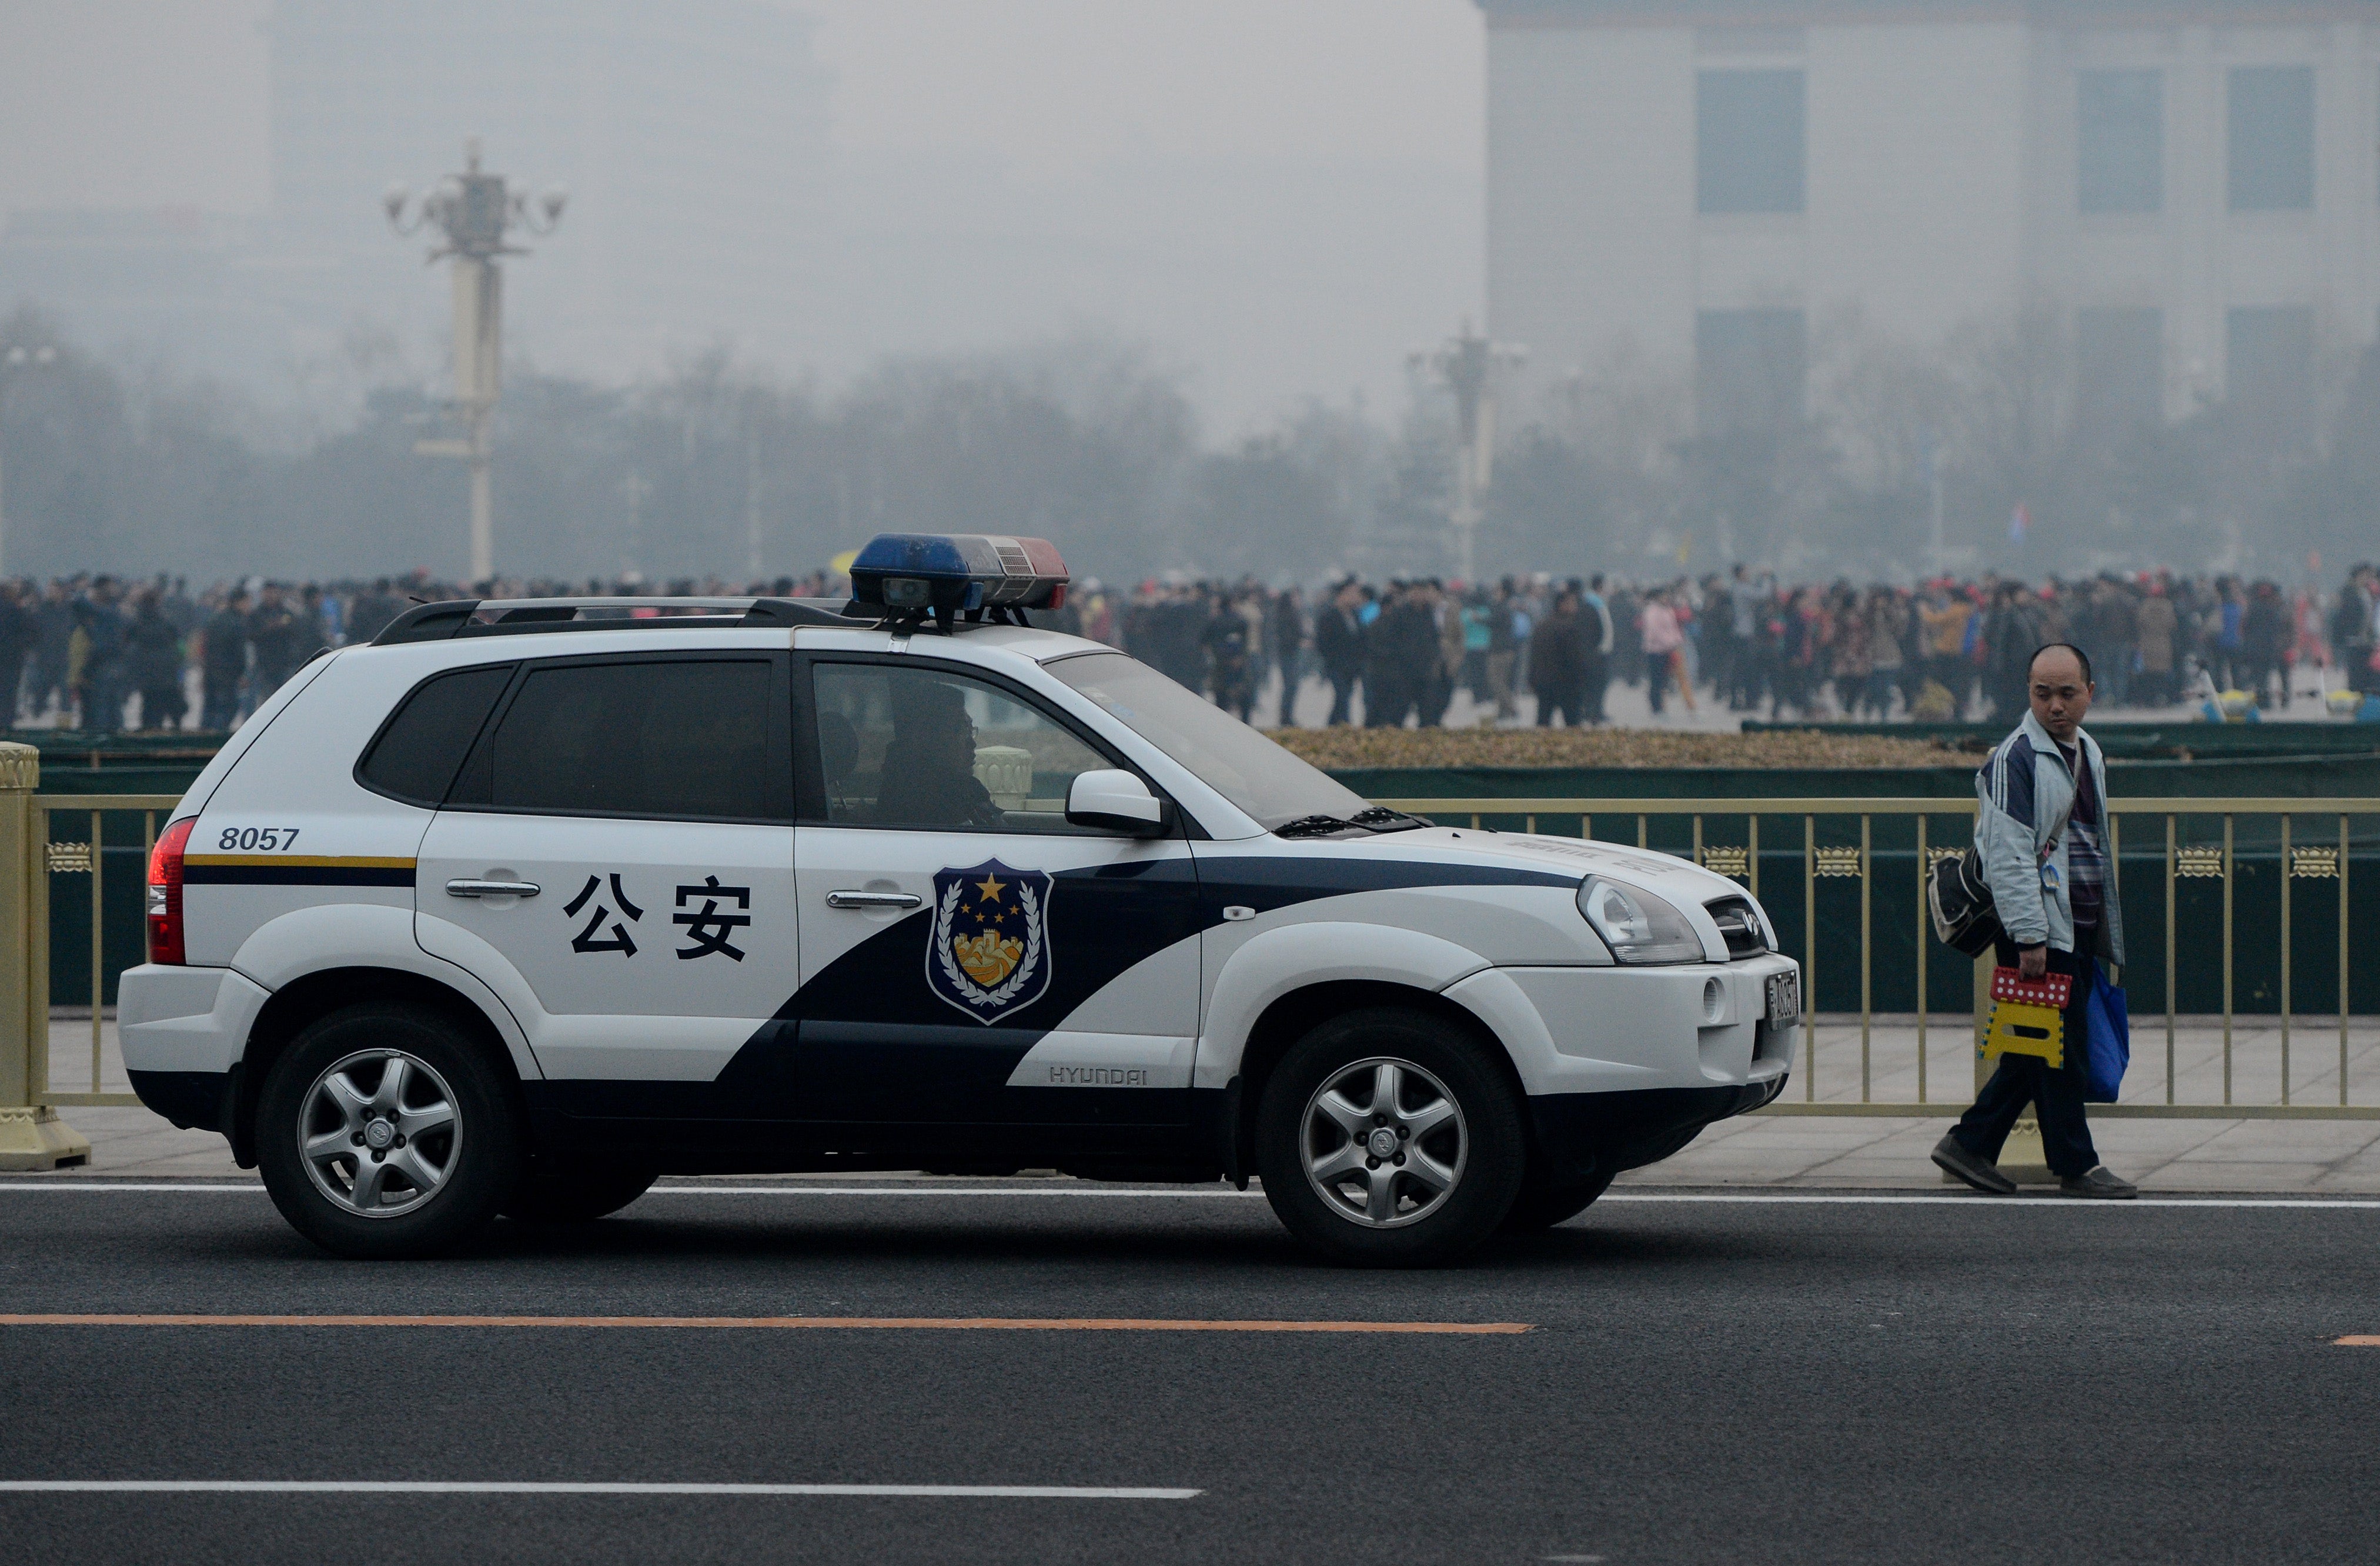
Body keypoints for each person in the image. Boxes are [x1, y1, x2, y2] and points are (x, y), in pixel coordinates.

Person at [1933, 643, 2136, 1200]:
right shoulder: (2015, 758)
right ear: (2029, 694)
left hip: (2075, 922)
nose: (2055, 705)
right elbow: (2009, 854)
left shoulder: (2086, 750)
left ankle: (1970, 1145)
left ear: (2090, 694)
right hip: (2040, 930)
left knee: (2037, 1047)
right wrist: (2029, 937)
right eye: (2042, 694)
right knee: (2059, 1047)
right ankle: (2077, 1164)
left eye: (2067, 694)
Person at [873, 681, 1002, 828]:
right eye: (961, 731)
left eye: (970, 730)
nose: (972, 744)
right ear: (927, 738)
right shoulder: (926, 801)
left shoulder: (964, 789)